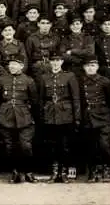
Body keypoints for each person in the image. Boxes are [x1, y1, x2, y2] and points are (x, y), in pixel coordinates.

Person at [0, 54, 38, 183]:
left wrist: (32, 117)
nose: (12, 66)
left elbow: (34, 101)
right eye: (10, 64)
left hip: (24, 116)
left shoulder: (29, 80)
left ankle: (29, 172)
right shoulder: (2, 79)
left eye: (15, 64)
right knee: (9, 146)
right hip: (6, 116)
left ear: (22, 66)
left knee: (26, 146)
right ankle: (15, 172)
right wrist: (1, 113)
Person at [38, 51, 81, 184]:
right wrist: (41, 115)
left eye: (58, 61)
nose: (55, 63)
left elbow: (75, 98)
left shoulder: (69, 76)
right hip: (50, 113)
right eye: (53, 61)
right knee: (52, 145)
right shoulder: (44, 77)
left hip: (65, 114)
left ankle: (63, 173)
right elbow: (41, 99)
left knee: (65, 145)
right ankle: (54, 173)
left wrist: (77, 117)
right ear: (49, 63)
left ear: (62, 62)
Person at [78, 54, 110, 183]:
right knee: (90, 146)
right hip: (88, 117)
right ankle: (92, 171)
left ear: (97, 66)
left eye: (93, 65)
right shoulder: (80, 82)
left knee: (105, 145)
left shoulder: (105, 81)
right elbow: (80, 101)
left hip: (103, 117)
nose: (90, 68)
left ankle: (107, 169)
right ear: (84, 67)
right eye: (88, 66)